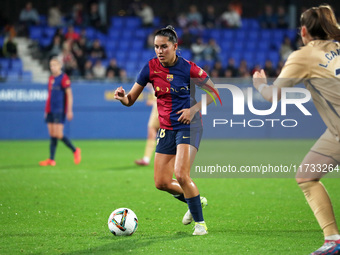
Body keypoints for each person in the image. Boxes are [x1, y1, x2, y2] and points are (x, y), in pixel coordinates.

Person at [114, 25, 219, 235]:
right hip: (166, 129)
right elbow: (131, 100)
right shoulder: (150, 68)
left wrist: (193, 109)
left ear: (175, 46)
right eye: (156, 47)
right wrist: (122, 97)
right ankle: (195, 200)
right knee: (161, 182)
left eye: (164, 46)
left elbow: (215, 92)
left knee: (181, 174)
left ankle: (200, 225)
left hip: (190, 125)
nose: (159, 51)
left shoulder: (189, 68)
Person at [253, 5, 340, 255]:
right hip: (335, 133)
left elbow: (273, 96)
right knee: (306, 176)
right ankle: (332, 239)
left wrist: (260, 85)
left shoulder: (304, 55)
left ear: (303, 31)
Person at [39, 58, 81, 166]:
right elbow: (49, 96)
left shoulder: (64, 78)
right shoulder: (51, 78)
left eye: (54, 65)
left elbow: (69, 95)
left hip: (59, 110)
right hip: (50, 110)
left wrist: (69, 110)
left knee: (58, 134)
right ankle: (51, 159)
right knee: (52, 134)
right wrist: (46, 110)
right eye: (51, 65)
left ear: (59, 66)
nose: (52, 67)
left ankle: (75, 150)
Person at [135, 91, 159, 166]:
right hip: (156, 109)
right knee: (151, 134)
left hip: (163, 109)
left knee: (166, 136)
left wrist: (154, 100)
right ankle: (146, 159)